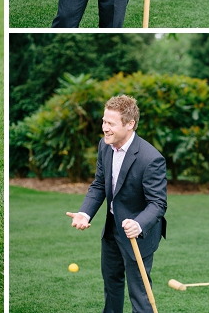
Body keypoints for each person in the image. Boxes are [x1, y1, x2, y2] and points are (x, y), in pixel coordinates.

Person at [66, 95, 167, 313]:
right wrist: (85, 213)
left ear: (130, 124)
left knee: (139, 294)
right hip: (112, 229)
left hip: (138, 234)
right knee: (111, 285)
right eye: (104, 121)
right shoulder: (105, 146)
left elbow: (158, 203)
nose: (104, 128)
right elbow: (100, 183)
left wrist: (138, 224)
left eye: (110, 123)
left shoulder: (151, 159)